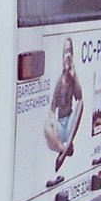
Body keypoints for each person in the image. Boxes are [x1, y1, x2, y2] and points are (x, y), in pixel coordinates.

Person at [43, 38, 83, 188]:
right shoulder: (59, 81)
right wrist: (52, 121)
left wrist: (74, 74)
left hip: (71, 124)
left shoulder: (73, 78)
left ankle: (64, 151)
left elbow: (79, 96)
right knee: (47, 127)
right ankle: (64, 150)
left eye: (70, 52)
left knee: (81, 104)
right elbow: (52, 107)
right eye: (66, 52)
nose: (68, 55)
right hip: (60, 125)